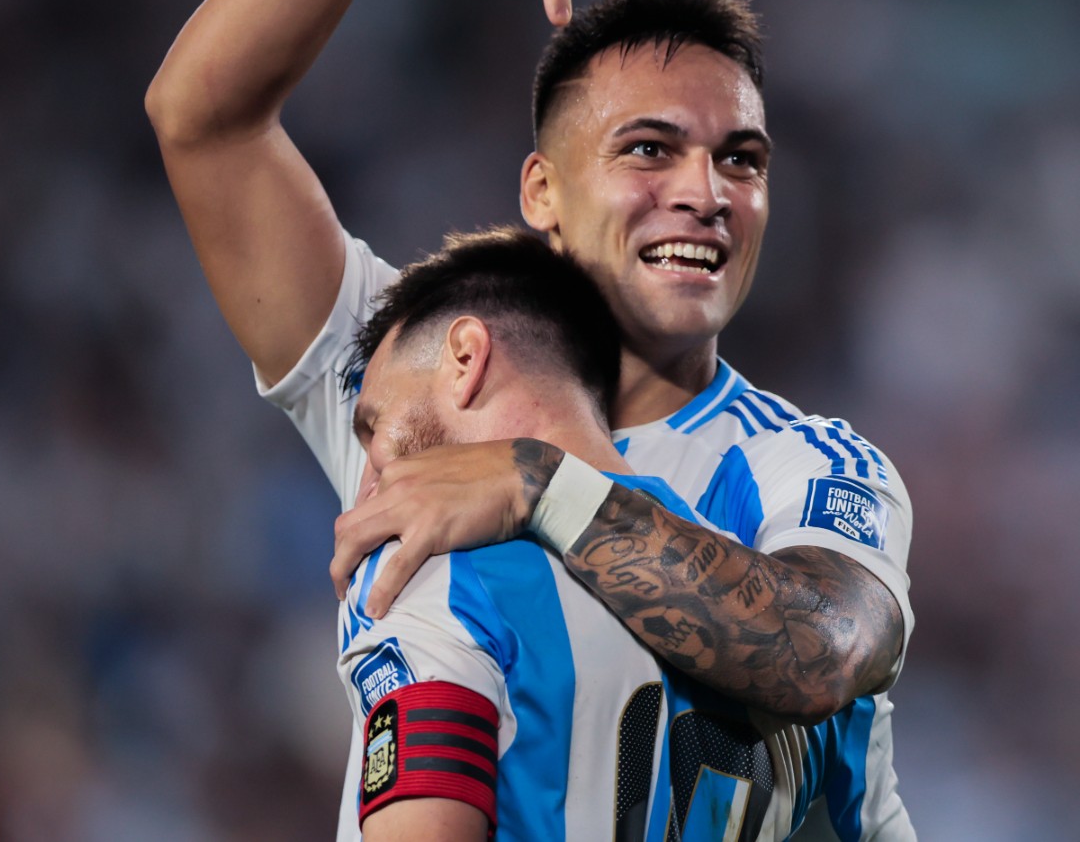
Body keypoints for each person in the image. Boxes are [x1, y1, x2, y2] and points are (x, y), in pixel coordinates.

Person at [144, 0, 915, 838]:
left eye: (743, 160)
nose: (706, 194)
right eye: (650, 148)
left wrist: (540, 482)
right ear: (542, 192)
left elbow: (822, 650)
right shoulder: (420, 380)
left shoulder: (799, 465)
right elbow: (204, 121)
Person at [335, 226, 829, 841]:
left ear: (465, 358)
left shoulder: (442, 578)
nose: (369, 482)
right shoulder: (755, 601)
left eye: (373, 427)